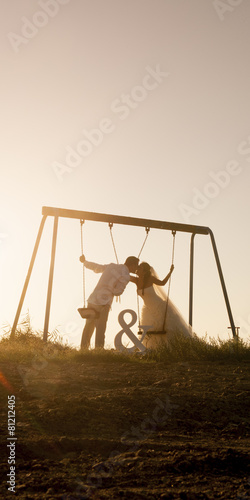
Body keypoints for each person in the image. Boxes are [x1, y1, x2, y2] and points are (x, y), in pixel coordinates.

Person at [79, 255, 139, 349]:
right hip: (104, 302)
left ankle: (83, 349)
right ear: (132, 265)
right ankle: (98, 350)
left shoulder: (111, 266)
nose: (137, 268)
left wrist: (85, 262)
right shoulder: (126, 276)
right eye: (136, 266)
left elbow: (97, 267)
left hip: (93, 298)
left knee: (88, 326)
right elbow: (117, 292)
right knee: (100, 328)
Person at [130, 262, 193, 338]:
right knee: (149, 332)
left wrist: (170, 272)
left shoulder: (151, 278)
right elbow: (126, 276)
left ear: (144, 271)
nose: (138, 268)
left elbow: (162, 283)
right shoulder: (136, 280)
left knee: (167, 329)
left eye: (140, 267)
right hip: (148, 310)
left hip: (159, 307)